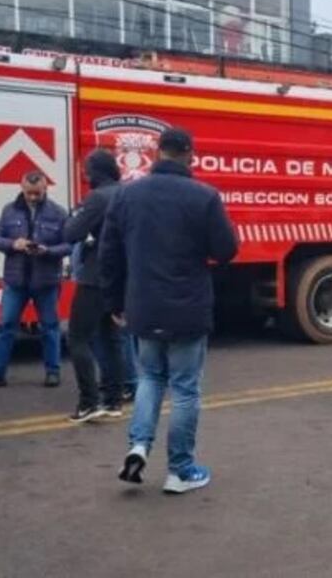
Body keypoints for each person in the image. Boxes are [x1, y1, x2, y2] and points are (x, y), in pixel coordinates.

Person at [100, 127, 238, 494]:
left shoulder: (127, 196)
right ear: (190, 154)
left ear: (159, 152)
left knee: (149, 378)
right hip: (187, 308)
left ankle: (138, 445)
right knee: (185, 389)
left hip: (142, 306)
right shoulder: (204, 196)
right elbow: (226, 249)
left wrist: (114, 302)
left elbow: (108, 255)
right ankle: (180, 470)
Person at [0, 171, 70, 390]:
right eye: (28, 193)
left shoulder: (59, 213)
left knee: (50, 327)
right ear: (21, 188)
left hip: (45, 281)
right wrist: (13, 244)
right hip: (16, 280)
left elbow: (69, 245)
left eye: (37, 193)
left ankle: (53, 372)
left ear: (45, 189)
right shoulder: (9, 210)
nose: (32, 197)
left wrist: (47, 250)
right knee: (5, 326)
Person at [63, 149, 126, 422]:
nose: (85, 174)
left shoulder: (97, 197)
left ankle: (88, 402)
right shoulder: (125, 193)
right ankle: (113, 400)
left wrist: (76, 214)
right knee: (110, 338)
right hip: (119, 276)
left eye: (88, 170)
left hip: (94, 276)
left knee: (78, 337)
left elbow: (72, 233)